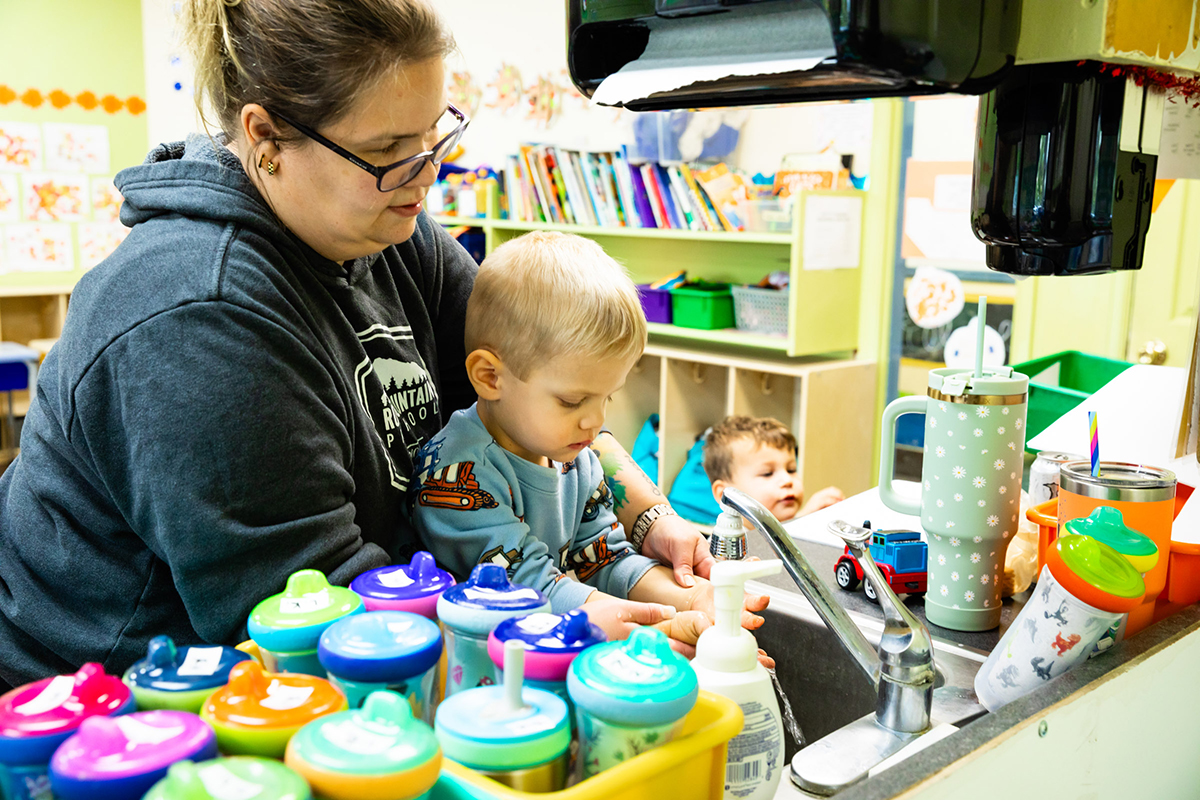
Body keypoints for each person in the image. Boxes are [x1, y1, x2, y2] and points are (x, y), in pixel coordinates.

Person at [0, 0, 709, 691]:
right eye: (386, 152)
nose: (425, 173)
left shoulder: (391, 230)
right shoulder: (196, 315)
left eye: (434, 135)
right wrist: (575, 626)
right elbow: (321, 615)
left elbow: (530, 385)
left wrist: (646, 515)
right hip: (111, 707)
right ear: (267, 138)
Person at [412, 233, 766, 651]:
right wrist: (658, 631)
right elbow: (528, 590)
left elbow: (604, 557)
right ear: (491, 378)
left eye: (607, 397)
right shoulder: (457, 475)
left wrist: (693, 599)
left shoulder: (573, 455)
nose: (596, 421)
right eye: (573, 400)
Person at [705, 416, 845, 522]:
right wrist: (803, 518)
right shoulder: (723, 547)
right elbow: (766, 547)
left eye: (791, 469)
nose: (787, 480)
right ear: (725, 494)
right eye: (767, 473)